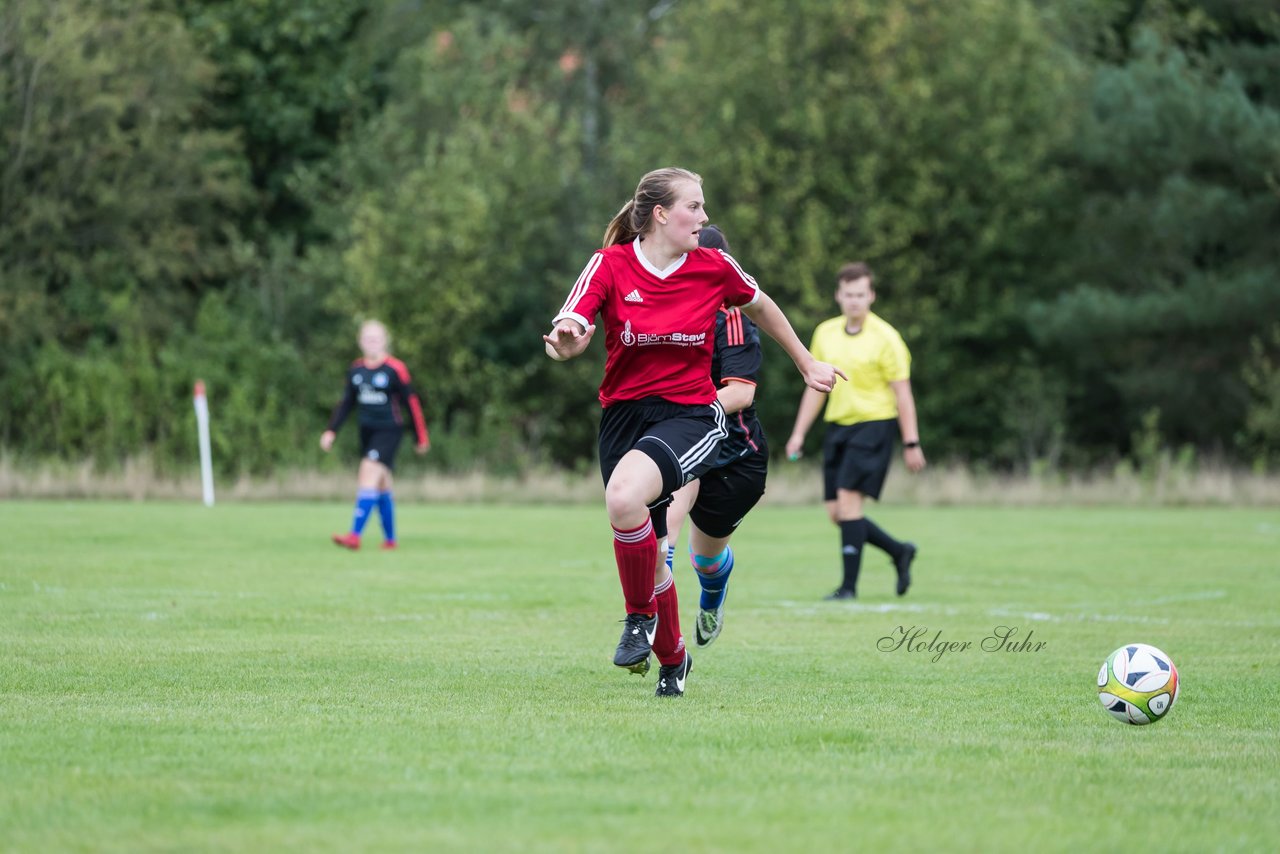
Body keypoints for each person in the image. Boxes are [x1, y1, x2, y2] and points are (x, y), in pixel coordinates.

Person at [544, 168, 843, 697]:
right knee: (651, 548)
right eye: (695, 208)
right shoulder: (610, 265)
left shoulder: (712, 266)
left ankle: (638, 619)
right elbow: (574, 323)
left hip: (690, 415)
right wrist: (566, 342)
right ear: (661, 214)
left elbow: (762, 305)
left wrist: (804, 361)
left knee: (622, 497)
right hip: (624, 418)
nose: (704, 219)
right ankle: (674, 659)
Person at [784, 262, 925, 600]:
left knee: (849, 506)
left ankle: (848, 589)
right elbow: (814, 387)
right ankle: (898, 550)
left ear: (871, 296)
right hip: (838, 428)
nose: (854, 301)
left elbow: (903, 395)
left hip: (874, 427)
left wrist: (911, 442)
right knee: (838, 514)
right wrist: (799, 433)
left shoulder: (887, 338)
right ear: (838, 296)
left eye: (861, 294)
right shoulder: (825, 333)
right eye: (848, 295)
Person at [663, 225, 768, 649]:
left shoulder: (734, 317)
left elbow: (741, 393)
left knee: (706, 560)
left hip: (735, 456)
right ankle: (649, 629)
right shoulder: (668, 313)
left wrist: (691, 411)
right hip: (687, 443)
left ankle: (711, 597)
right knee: (661, 542)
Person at [321, 319, 430, 550]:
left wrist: (421, 436)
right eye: (368, 338)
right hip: (367, 432)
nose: (372, 342)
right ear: (361, 342)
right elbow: (346, 403)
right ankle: (390, 540)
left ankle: (354, 535)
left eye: (376, 338)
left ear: (385, 341)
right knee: (382, 485)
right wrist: (331, 431)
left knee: (367, 473)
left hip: (389, 430)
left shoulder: (395, 369)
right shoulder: (356, 370)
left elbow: (412, 403)